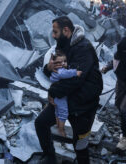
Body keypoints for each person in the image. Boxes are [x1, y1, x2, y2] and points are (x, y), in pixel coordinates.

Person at [35, 16, 103, 164]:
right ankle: (49, 157)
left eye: (55, 32)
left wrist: (53, 92)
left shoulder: (84, 48)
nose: (53, 35)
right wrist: (48, 68)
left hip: (83, 104)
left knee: (80, 144)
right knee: (41, 123)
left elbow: (75, 80)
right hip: (64, 98)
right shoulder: (61, 45)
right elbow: (54, 70)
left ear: (66, 30)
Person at [49, 51, 83, 137]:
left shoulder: (56, 69)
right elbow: (64, 74)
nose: (63, 64)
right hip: (60, 96)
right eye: (59, 62)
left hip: (56, 94)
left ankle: (58, 126)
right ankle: (61, 130)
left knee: (57, 111)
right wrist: (76, 72)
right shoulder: (60, 71)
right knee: (63, 113)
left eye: (64, 61)